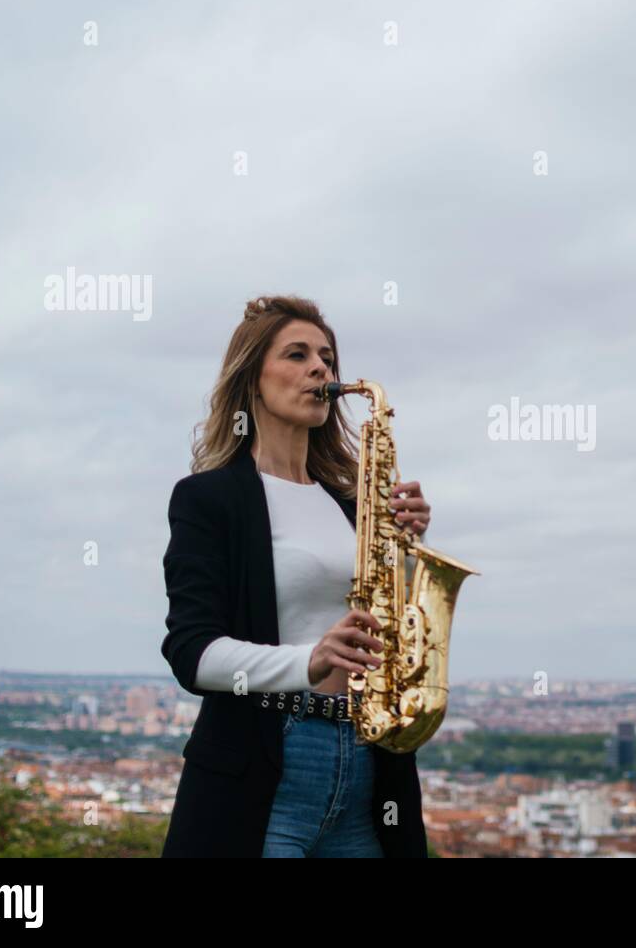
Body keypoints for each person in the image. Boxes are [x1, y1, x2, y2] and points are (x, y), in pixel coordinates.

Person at [160, 294, 431, 857]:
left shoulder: (353, 503)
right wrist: (308, 660)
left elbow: (398, 619)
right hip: (266, 764)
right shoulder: (208, 499)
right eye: (298, 354)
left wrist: (408, 546)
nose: (321, 370)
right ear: (252, 378)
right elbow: (192, 651)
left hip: (369, 759)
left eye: (327, 358)